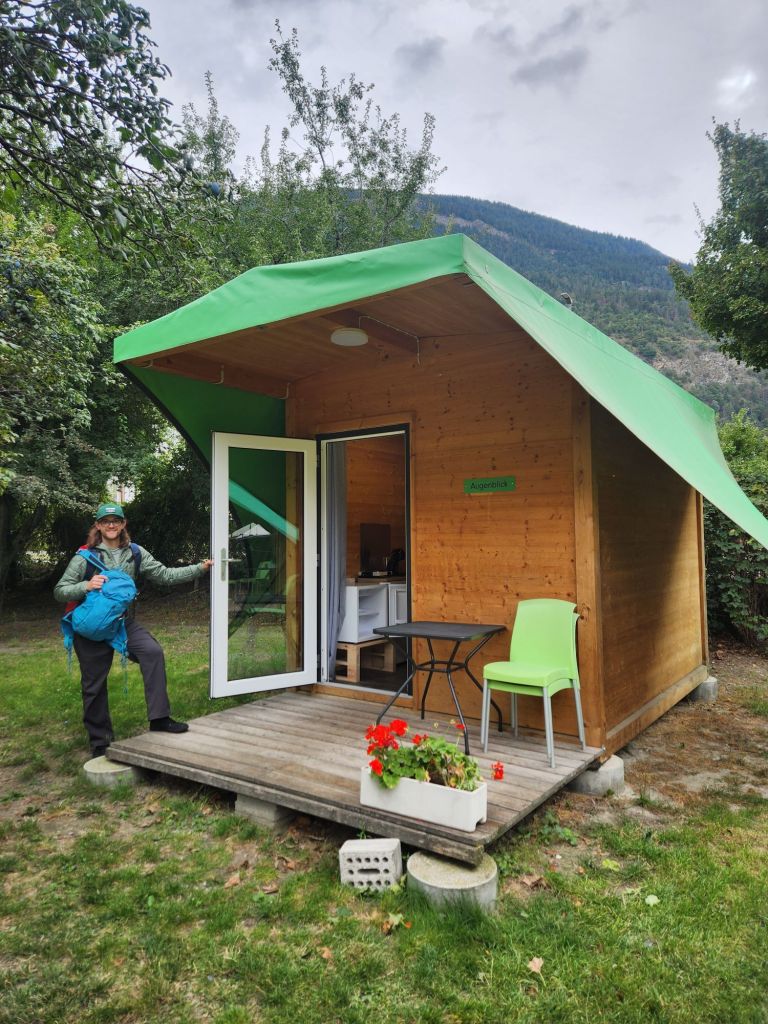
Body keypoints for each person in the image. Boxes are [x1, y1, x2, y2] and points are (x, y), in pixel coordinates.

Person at [54, 502, 213, 758]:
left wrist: (201, 568)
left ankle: (159, 719)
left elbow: (165, 575)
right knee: (93, 685)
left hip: (120, 623)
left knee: (152, 652)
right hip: (90, 628)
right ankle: (100, 741)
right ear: (98, 525)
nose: (111, 525)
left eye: (116, 520)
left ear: (123, 524)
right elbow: (60, 591)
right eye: (105, 521)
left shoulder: (135, 553)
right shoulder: (84, 556)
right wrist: (86, 585)